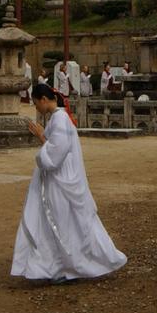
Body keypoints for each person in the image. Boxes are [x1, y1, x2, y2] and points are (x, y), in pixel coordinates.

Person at [12, 84, 127, 284]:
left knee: (61, 224)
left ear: (43, 99)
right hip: (60, 180)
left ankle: (68, 265)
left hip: (61, 181)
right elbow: (57, 147)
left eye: (36, 102)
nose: (36, 107)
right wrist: (44, 139)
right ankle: (57, 266)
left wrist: (41, 139)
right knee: (59, 224)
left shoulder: (60, 120)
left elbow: (55, 156)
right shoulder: (59, 119)